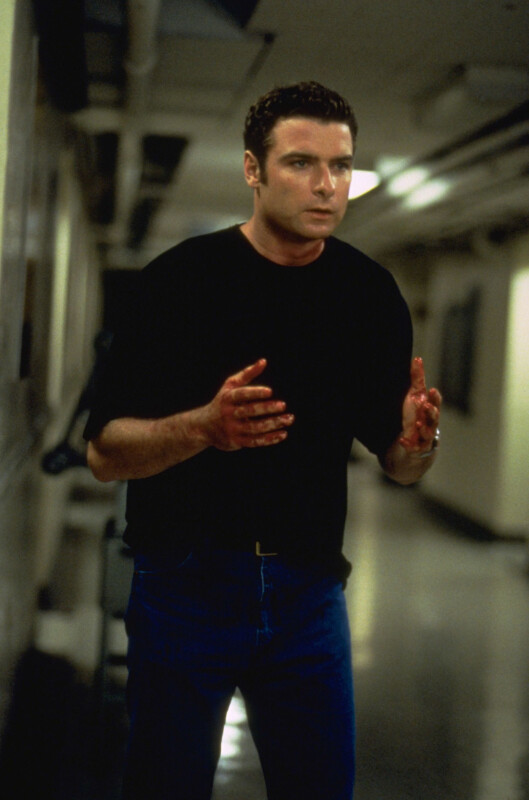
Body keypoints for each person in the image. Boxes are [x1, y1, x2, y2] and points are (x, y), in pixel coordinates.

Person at [85, 81, 441, 800]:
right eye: (301, 163)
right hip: (186, 585)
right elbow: (103, 453)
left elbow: (400, 467)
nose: (326, 185)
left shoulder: (368, 295)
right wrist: (203, 428)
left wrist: (415, 443)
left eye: (340, 166)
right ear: (253, 169)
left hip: (309, 595)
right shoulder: (178, 283)